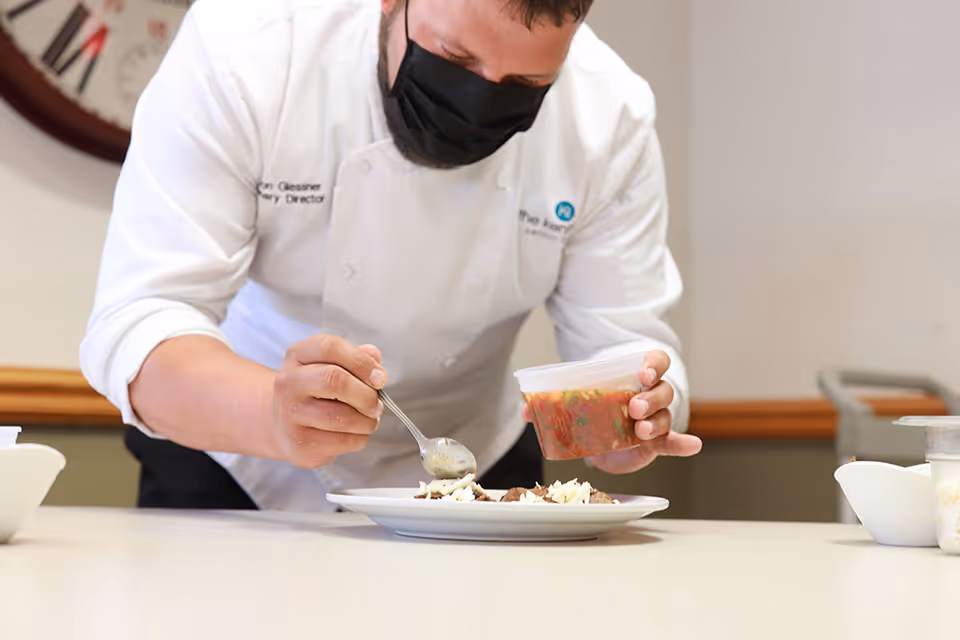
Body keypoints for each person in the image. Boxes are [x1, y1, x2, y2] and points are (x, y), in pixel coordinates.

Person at [80, 0, 702, 511]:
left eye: (525, 86)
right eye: (454, 58)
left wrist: (632, 420)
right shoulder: (250, 51)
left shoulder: (608, 115)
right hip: (235, 457)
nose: (476, 104)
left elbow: (624, 344)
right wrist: (271, 412)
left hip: (475, 469)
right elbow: (142, 321)